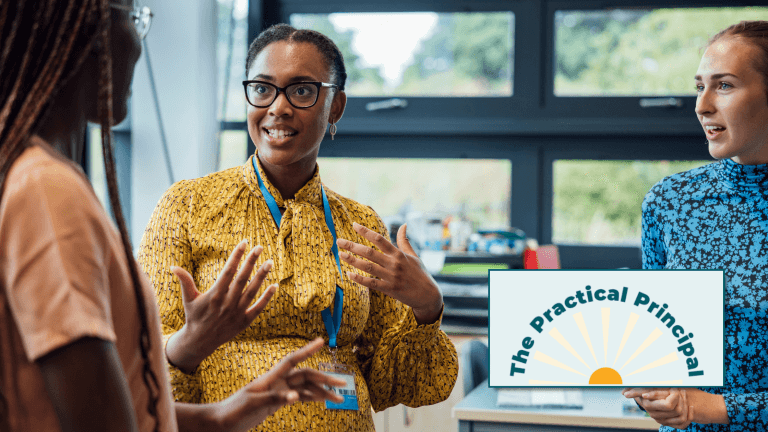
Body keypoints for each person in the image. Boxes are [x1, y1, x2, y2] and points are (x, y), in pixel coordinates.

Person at [0, 2, 346, 432]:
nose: (139, 46)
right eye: (133, 17)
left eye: (302, 91)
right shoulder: (46, 191)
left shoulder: (38, 177)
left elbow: (126, 405)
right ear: (90, 32)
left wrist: (225, 416)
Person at [138, 23, 458, 431]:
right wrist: (189, 343)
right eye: (263, 88)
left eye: (302, 90)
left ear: (335, 107)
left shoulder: (360, 225)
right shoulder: (186, 206)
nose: (278, 107)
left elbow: (399, 384)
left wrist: (428, 306)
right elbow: (138, 370)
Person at [622, 20, 768, 431]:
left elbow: (705, 404)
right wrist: (656, 395)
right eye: (699, 86)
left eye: (724, 85)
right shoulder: (669, 201)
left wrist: (720, 409)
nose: (702, 105)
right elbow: (660, 346)